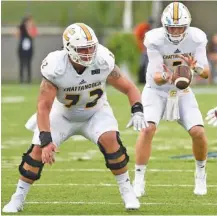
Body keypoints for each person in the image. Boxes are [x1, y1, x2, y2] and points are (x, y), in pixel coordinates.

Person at [2, 23, 149, 213]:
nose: (88, 52)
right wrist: (46, 140)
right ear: (69, 48)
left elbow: (129, 88)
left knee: (112, 142)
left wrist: (137, 109)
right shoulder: (56, 66)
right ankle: (18, 197)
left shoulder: (102, 60)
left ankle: (127, 191)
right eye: (83, 49)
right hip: (63, 114)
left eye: (91, 47)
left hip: (96, 112)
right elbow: (43, 106)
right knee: (37, 151)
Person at [132, 2, 210, 198]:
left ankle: (200, 173)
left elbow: (206, 72)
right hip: (156, 90)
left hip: (182, 92)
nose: (175, 31)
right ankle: (139, 178)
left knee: (198, 132)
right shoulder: (154, 39)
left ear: (188, 25)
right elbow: (157, 76)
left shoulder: (196, 37)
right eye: (171, 27)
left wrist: (194, 68)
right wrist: (171, 76)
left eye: (179, 27)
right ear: (164, 25)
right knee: (148, 128)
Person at [16, 15, 38, 84]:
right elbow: (17, 35)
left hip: (29, 49)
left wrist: (29, 28)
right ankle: (21, 80)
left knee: (29, 64)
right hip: (21, 48)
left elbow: (33, 35)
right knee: (22, 64)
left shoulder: (32, 28)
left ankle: (29, 80)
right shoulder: (21, 27)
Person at [134, 17, 154, 84]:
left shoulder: (149, 28)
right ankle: (141, 79)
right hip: (142, 48)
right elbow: (137, 37)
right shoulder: (142, 27)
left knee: (147, 64)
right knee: (143, 64)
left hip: (147, 48)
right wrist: (142, 47)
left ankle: (145, 79)